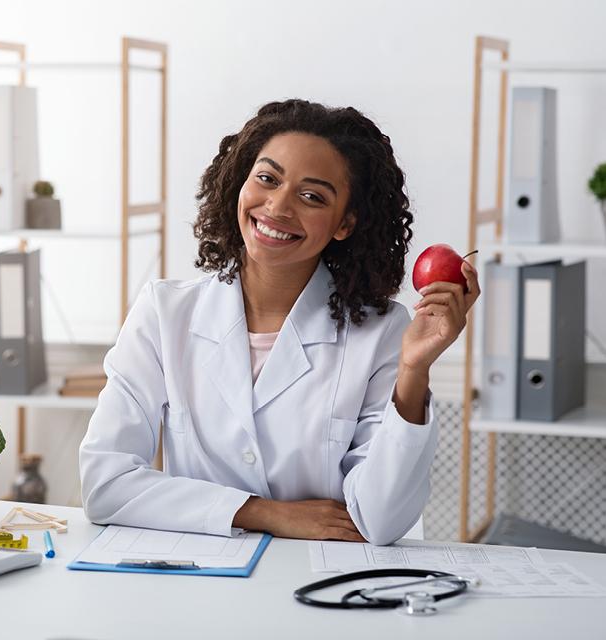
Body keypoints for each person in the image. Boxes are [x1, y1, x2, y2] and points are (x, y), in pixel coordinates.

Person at [78, 99, 479, 545]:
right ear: (241, 183)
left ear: (345, 223)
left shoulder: (382, 332)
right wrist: (264, 513)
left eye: (312, 196)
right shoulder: (165, 313)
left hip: (320, 586)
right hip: (198, 581)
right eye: (267, 179)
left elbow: (378, 521)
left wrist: (414, 372)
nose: (277, 207)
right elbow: (105, 484)